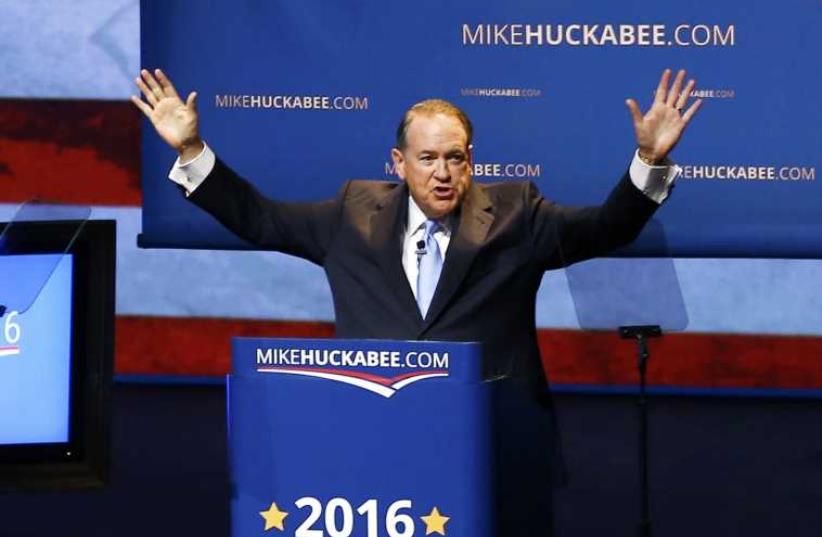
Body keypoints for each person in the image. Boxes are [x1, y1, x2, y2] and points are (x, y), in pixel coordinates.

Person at [132, 68, 701, 535]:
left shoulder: (516, 214)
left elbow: (605, 229)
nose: (443, 173)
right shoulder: (351, 214)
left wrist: (647, 163)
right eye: (427, 159)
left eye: (455, 158)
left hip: (494, 450)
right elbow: (257, 219)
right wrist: (191, 148)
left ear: (471, 159)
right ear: (398, 165)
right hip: (383, 451)